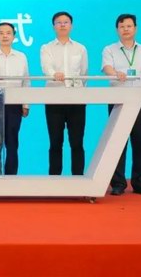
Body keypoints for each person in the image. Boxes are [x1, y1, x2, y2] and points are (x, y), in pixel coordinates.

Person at [102, 13, 141, 196]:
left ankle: (140, 183)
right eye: (122, 26)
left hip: (140, 98)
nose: (125, 29)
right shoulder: (110, 49)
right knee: (117, 143)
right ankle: (118, 183)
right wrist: (115, 73)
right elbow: (106, 68)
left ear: (135, 28)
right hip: (118, 99)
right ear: (117, 29)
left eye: (129, 26)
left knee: (140, 142)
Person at [40, 11, 88, 176]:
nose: (62, 25)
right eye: (58, 22)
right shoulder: (46, 48)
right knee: (55, 142)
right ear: (54, 26)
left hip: (76, 99)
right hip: (54, 99)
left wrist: (79, 91)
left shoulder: (80, 48)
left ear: (71, 26)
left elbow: (84, 73)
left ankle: (78, 179)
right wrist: (55, 74)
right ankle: (55, 180)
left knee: (77, 142)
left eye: (66, 22)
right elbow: (46, 68)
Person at [0, 22, 30, 175]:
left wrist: (26, 104)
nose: (5, 36)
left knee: (12, 141)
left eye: (8, 33)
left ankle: (11, 178)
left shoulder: (21, 56)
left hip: (15, 101)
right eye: (1, 33)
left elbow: (26, 81)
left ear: (14, 36)